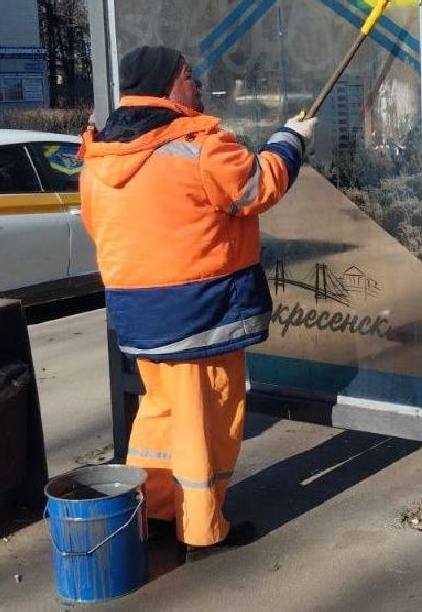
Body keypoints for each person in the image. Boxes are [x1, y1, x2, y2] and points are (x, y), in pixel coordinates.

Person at [79, 45, 316, 560]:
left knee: (160, 415)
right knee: (205, 421)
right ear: (166, 86)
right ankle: (205, 531)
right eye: (189, 76)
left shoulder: (99, 158)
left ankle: (159, 512)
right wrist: (291, 141)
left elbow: (101, 230)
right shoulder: (199, 144)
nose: (198, 84)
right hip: (202, 313)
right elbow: (256, 187)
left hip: (140, 319)